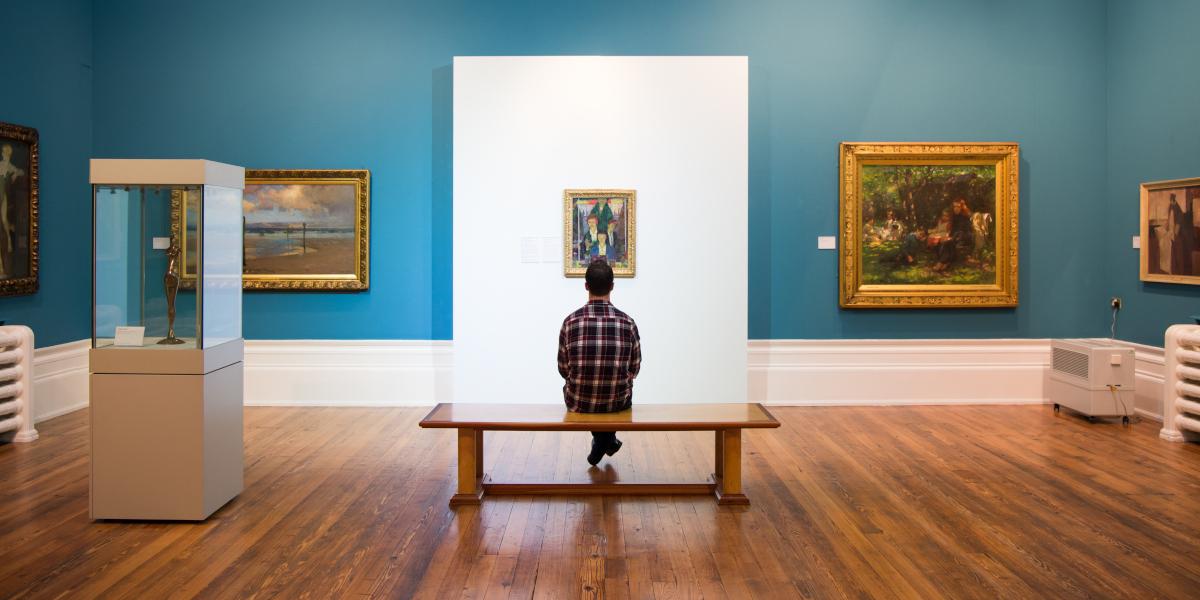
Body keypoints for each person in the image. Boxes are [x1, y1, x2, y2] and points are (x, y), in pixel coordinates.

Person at [557, 259, 642, 465]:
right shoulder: (628, 323)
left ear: (586, 286)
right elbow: (635, 368)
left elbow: (563, 368)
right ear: (612, 286)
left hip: (579, 402)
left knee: (575, 388)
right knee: (618, 391)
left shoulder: (570, 322)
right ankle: (607, 440)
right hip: (617, 401)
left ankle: (603, 441)